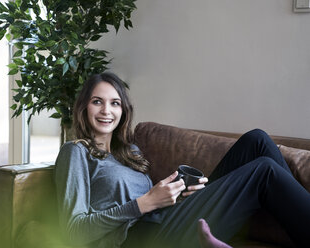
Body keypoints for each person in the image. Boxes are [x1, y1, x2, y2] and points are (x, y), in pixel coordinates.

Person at [54, 72, 310, 248]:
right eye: (97, 102)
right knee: (263, 171)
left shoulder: (130, 151)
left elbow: (152, 204)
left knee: (257, 141)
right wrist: (144, 203)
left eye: (115, 103)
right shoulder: (76, 152)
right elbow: (74, 230)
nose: (106, 111)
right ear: (83, 107)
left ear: (123, 110)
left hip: (164, 222)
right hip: (140, 240)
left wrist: (176, 196)